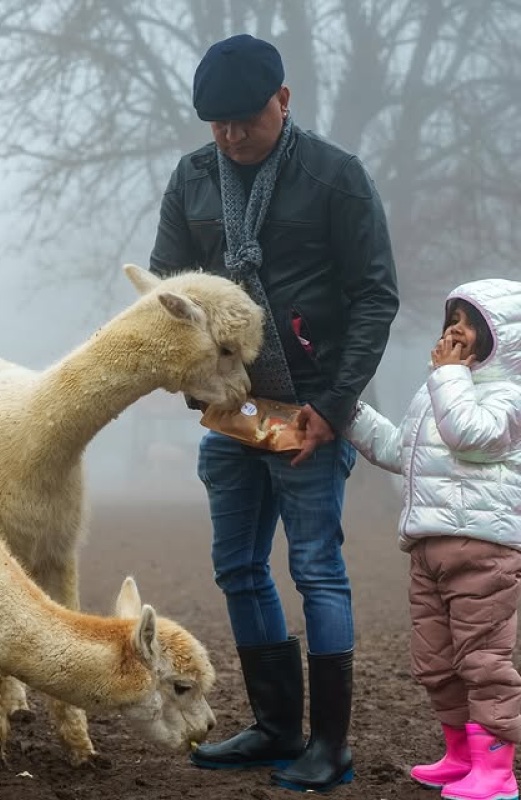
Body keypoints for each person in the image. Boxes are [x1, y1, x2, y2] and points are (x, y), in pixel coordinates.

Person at [149, 33, 399, 793]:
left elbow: (375, 296)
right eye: (216, 122)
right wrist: (194, 380)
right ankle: (274, 727)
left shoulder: (337, 178)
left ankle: (329, 746)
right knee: (237, 569)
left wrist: (331, 405)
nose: (228, 135)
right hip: (231, 417)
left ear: (283, 102)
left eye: (244, 120)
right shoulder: (191, 179)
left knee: (317, 572)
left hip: (310, 418)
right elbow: (167, 285)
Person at [346, 278, 521, 800]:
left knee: (483, 660)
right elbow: (405, 452)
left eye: (471, 322)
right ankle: (461, 756)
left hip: (484, 549)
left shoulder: (509, 393)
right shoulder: (444, 387)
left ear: (502, 336)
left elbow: (472, 435)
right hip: (427, 545)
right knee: (436, 661)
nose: (456, 330)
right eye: (454, 317)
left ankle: (497, 771)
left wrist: (447, 377)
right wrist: (349, 413)